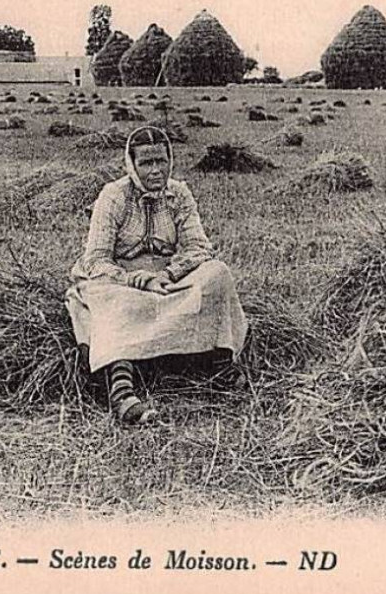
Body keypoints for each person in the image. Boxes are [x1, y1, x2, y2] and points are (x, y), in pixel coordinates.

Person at [66, 125, 249, 424]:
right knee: (117, 301)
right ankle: (122, 390)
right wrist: (138, 279)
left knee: (217, 274)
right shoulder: (113, 196)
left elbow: (199, 247)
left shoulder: (179, 194)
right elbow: (96, 260)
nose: (155, 171)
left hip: (166, 280)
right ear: (132, 165)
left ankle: (218, 367)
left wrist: (169, 273)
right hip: (119, 280)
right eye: (147, 163)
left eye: (161, 161)